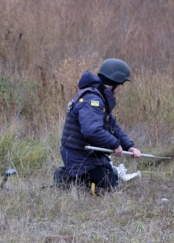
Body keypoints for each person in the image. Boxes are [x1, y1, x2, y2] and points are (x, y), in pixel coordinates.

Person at [55, 58, 142, 192]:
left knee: (112, 177)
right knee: (108, 185)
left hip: (89, 154)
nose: (121, 88)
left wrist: (129, 146)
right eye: (122, 84)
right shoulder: (92, 100)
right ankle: (66, 178)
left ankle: (73, 176)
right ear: (115, 82)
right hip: (79, 154)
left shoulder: (100, 97)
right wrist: (114, 144)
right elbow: (92, 131)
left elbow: (113, 126)